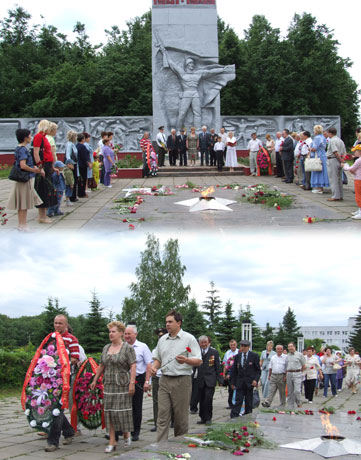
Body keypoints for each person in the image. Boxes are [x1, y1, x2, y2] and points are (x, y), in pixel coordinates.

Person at [150, 309, 202, 442]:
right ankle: (160, 446)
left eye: (170, 322)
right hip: (164, 380)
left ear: (179, 323)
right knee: (162, 416)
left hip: (182, 381)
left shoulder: (189, 339)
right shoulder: (162, 340)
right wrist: (154, 367)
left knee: (181, 419)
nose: (167, 324)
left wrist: (186, 360)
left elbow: (198, 360)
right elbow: (158, 359)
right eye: (166, 322)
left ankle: (179, 446)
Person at [91, 321, 136, 453]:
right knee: (110, 413)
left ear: (121, 333)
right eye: (109, 332)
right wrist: (95, 379)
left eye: (113, 331)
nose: (111, 334)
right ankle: (112, 441)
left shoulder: (128, 348)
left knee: (121, 412)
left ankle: (126, 434)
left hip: (122, 384)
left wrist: (132, 383)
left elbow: (133, 366)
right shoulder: (106, 348)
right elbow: (101, 365)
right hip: (109, 385)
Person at [45, 315, 80, 452]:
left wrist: (59, 364)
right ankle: (68, 431)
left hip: (65, 378)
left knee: (57, 407)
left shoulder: (71, 339)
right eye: (56, 323)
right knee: (55, 406)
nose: (57, 325)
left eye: (60, 323)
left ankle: (53, 441)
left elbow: (75, 358)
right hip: (51, 378)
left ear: (66, 325)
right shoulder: (51, 338)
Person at [7, 129, 43, 231]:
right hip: (24, 179)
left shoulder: (19, 148)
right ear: (25, 137)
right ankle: (23, 225)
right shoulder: (23, 149)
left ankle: (21, 225)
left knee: (21, 204)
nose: (31, 137)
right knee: (23, 204)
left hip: (21, 179)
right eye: (30, 135)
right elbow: (23, 165)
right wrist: (34, 170)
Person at [124, 325, 152, 442]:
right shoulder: (122, 346)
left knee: (136, 407)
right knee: (123, 406)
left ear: (135, 334)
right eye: (125, 334)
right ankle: (121, 430)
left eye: (129, 334)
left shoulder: (142, 347)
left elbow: (149, 364)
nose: (126, 336)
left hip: (138, 379)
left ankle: (135, 431)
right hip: (123, 380)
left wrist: (147, 381)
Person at [194, 336, 223, 425]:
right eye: (201, 342)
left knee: (208, 399)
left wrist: (220, 379)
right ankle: (202, 417)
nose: (203, 344)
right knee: (201, 399)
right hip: (200, 380)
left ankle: (208, 418)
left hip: (210, 380)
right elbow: (194, 366)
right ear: (199, 343)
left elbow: (218, 367)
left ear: (208, 342)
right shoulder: (197, 352)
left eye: (205, 342)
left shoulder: (214, 352)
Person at [33, 119, 57, 223]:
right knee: (43, 190)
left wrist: (52, 166)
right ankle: (41, 216)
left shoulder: (44, 137)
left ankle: (44, 215)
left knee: (47, 190)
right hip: (43, 166)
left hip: (47, 165)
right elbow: (36, 153)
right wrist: (40, 167)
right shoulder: (38, 137)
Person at [230, 340, 261, 418]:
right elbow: (234, 371)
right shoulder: (237, 356)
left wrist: (255, 380)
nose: (243, 348)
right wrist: (232, 383)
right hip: (239, 382)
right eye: (241, 346)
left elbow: (258, 370)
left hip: (249, 383)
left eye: (244, 346)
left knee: (248, 401)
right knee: (238, 400)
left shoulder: (254, 356)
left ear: (248, 347)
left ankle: (248, 415)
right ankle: (234, 416)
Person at [150, 328, 168, 432]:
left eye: (162, 336)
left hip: (168, 376)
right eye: (159, 336)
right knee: (156, 400)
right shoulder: (155, 350)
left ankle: (173, 420)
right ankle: (157, 423)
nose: (160, 338)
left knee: (171, 399)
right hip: (157, 377)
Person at [261, 344, 288, 408]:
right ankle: (268, 402)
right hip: (273, 375)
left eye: (280, 349)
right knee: (271, 389)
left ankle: (283, 403)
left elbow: (287, 367)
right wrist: (269, 375)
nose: (279, 350)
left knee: (282, 391)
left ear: (282, 349)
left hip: (281, 375)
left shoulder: (285, 357)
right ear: (276, 350)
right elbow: (270, 367)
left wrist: (285, 376)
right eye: (278, 349)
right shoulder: (273, 357)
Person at [326, 127, 346, 202]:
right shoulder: (340, 140)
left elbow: (335, 151)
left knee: (333, 178)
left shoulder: (332, 140)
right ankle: (340, 195)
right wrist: (342, 160)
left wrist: (340, 160)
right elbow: (344, 152)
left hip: (333, 159)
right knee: (339, 178)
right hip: (338, 160)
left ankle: (335, 196)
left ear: (330, 133)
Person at [342, 144, 361, 219]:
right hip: (358, 178)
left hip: (358, 179)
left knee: (359, 195)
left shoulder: (359, 160)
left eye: (355, 151)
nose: (354, 153)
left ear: (359, 151)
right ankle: (359, 210)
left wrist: (344, 166)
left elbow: (351, 168)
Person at [310, 125, 329, 194]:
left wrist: (310, 148)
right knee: (322, 171)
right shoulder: (323, 137)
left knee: (317, 170)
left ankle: (319, 187)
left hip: (318, 156)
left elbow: (315, 148)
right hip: (323, 155)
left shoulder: (317, 138)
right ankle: (321, 186)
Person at [286, 342, 305, 408]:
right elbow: (286, 366)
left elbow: (303, 365)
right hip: (289, 373)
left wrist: (300, 372)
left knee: (297, 390)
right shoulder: (287, 356)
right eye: (289, 347)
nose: (290, 348)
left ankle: (299, 402)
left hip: (297, 373)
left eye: (291, 346)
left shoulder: (299, 355)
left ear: (294, 347)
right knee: (290, 391)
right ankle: (290, 405)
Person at [222, 339, 239, 409]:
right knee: (230, 389)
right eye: (231, 345)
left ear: (236, 345)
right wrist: (223, 373)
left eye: (234, 345)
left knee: (237, 388)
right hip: (229, 373)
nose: (233, 346)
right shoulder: (227, 353)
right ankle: (231, 404)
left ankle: (237, 403)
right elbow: (225, 364)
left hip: (238, 372)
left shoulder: (239, 352)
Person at [65, 130, 79, 202]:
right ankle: (71, 197)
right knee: (72, 180)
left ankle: (73, 196)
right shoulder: (70, 144)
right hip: (72, 164)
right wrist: (69, 163)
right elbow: (68, 154)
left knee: (74, 180)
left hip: (74, 163)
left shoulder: (72, 144)